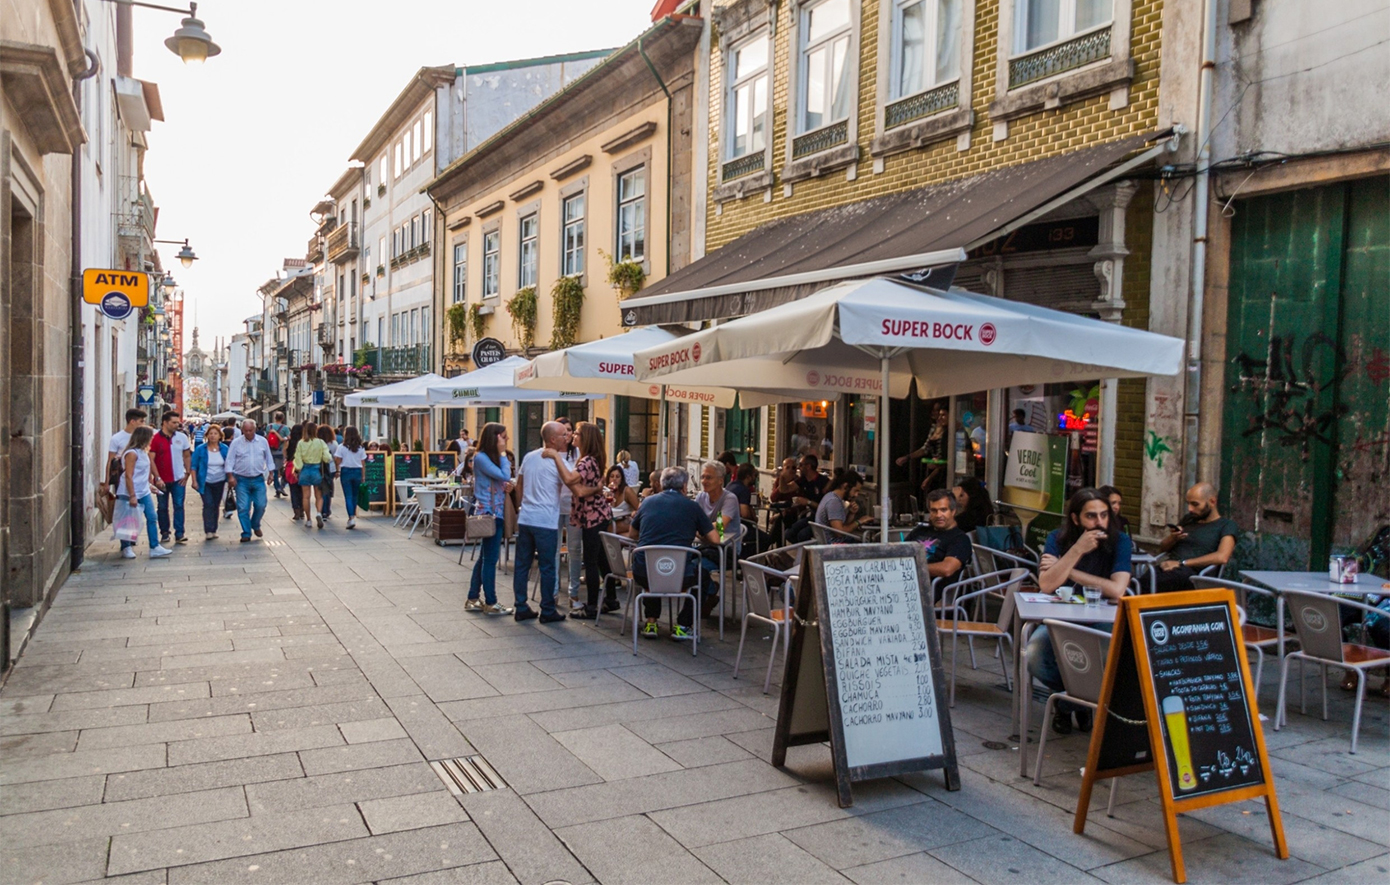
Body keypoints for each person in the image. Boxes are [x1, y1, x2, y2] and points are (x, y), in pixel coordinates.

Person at [1029, 488, 1134, 734]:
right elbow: (1046, 585)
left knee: (1106, 660)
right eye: (1091, 516)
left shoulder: (1120, 541)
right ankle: (1079, 703)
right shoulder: (1058, 538)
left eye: (1104, 515)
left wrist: (1069, 570)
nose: (1100, 522)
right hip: (1061, 618)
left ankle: (1066, 705)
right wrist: (1076, 550)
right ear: (1076, 519)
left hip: (1101, 620)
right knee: (1035, 654)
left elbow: (1117, 589)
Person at [628, 466, 722, 641]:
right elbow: (716, 539)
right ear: (685, 486)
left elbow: (633, 534)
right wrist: (696, 530)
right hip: (677, 574)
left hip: (644, 572)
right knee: (702, 577)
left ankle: (651, 622)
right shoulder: (692, 505)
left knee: (653, 562)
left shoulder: (647, 502)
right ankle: (683, 625)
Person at [547, 422, 615, 620]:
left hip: (592, 516)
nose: (573, 435)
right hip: (599, 514)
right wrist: (596, 488)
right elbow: (581, 489)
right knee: (602, 559)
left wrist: (555, 457)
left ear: (585, 439)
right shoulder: (592, 460)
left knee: (592, 561)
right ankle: (611, 598)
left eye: (577, 433)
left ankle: (592, 605)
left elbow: (570, 481)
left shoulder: (586, 462)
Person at [512, 421, 570, 623]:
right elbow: (571, 480)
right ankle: (547, 609)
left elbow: (519, 484)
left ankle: (520, 605)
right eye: (563, 434)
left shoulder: (529, 457)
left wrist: (521, 507)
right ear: (553, 439)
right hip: (546, 520)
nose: (567, 437)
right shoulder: (558, 461)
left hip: (527, 517)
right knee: (547, 566)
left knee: (522, 565)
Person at [464, 422, 514, 615]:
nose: (506, 439)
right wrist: (503, 454)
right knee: (490, 560)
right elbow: (504, 474)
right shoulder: (482, 458)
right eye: (504, 436)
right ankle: (491, 602)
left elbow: (503, 480)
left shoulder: (485, 458)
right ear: (494, 438)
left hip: (494, 511)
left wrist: (506, 485)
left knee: (484, 558)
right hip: (490, 513)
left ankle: (473, 598)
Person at [1153, 482, 1237, 592]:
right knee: (1137, 579)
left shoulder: (1226, 525)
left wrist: (1182, 563)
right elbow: (1162, 548)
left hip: (1194, 574)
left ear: (1212, 502)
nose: (1190, 509)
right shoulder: (1189, 519)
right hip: (1168, 567)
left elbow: (1222, 557)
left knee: (1151, 583)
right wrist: (1173, 538)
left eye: (1195, 504)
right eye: (1188, 504)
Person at [694, 460, 742, 617]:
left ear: (721, 480)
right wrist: (705, 529)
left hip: (726, 550)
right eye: (702, 477)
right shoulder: (701, 497)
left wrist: (700, 529)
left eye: (709, 477)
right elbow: (691, 521)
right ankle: (709, 591)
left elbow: (721, 527)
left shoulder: (730, 499)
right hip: (705, 546)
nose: (704, 481)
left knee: (697, 567)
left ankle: (702, 601)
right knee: (684, 562)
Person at [118, 426, 171, 559]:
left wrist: (150, 485)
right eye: (151, 437)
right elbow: (129, 475)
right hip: (129, 491)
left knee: (152, 517)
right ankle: (126, 546)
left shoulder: (143, 452)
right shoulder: (132, 453)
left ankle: (154, 546)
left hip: (144, 490)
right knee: (127, 520)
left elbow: (142, 474)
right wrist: (132, 495)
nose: (152, 439)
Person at [905, 489, 974, 588]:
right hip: (905, 583)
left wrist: (911, 567)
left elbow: (947, 569)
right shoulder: (920, 530)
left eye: (943, 510)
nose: (938, 515)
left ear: (953, 511)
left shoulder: (960, 539)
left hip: (930, 592)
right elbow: (900, 552)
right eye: (934, 510)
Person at [226, 419, 275, 543]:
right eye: (246, 431)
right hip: (241, 479)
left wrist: (271, 472)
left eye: (251, 430)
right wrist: (230, 476)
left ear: (255, 429)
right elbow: (230, 460)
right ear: (242, 430)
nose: (248, 433)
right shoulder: (236, 443)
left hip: (258, 478)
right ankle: (246, 532)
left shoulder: (262, 441)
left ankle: (255, 524)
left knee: (261, 505)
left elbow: (268, 458)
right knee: (243, 507)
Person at [553, 416, 583, 612]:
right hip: (554, 507)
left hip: (573, 506)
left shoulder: (578, 453)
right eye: (563, 431)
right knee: (553, 550)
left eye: (569, 430)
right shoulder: (549, 454)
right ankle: (553, 592)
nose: (567, 434)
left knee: (574, 550)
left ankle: (574, 593)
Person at [150, 411, 192, 545]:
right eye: (174, 422)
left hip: (179, 478)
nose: (177, 425)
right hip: (161, 479)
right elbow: (151, 460)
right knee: (162, 507)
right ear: (165, 423)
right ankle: (164, 532)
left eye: (177, 422)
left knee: (179, 505)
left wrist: (187, 473)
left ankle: (179, 533)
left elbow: (186, 455)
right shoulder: (155, 439)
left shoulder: (182, 437)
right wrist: (156, 477)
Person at [191, 424, 229, 541]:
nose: (213, 436)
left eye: (215, 434)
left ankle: (214, 529)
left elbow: (229, 463)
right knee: (208, 504)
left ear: (220, 436)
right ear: (207, 435)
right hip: (205, 481)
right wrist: (194, 480)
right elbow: (194, 466)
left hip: (220, 481)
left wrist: (231, 478)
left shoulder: (224, 449)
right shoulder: (200, 449)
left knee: (216, 505)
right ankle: (208, 530)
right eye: (211, 434)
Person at [897, 407, 949, 492]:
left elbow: (944, 458)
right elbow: (925, 448)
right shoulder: (934, 428)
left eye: (942, 415)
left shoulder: (948, 433)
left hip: (942, 473)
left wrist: (930, 478)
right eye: (938, 413)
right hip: (931, 469)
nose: (938, 417)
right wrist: (907, 457)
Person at [294, 422, 332, 529]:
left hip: (305, 470)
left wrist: (297, 469)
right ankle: (319, 513)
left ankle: (309, 519)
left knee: (306, 497)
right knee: (319, 496)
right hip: (317, 470)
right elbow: (327, 457)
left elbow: (297, 459)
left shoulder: (301, 443)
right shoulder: (320, 442)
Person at [814, 469, 864, 537]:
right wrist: (859, 521)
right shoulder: (834, 502)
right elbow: (839, 532)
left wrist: (851, 514)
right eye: (855, 491)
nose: (856, 495)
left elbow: (843, 526)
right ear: (845, 486)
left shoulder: (830, 496)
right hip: (834, 544)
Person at [107, 408, 147, 493]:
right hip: (123, 475)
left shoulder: (142, 438)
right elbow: (110, 460)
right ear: (132, 421)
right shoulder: (117, 438)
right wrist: (107, 482)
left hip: (140, 476)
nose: (144, 424)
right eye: (141, 421)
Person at [334, 426, 367, 530]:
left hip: (346, 471)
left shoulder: (341, 447)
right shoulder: (360, 448)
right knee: (354, 496)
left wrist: (337, 470)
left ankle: (351, 518)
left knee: (348, 496)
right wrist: (363, 476)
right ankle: (352, 516)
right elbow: (363, 463)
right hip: (357, 471)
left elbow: (338, 461)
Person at [605, 465, 641, 537]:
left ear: (621, 479)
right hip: (615, 520)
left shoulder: (627, 491)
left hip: (628, 521)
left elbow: (639, 508)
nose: (614, 479)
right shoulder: (608, 492)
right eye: (612, 476)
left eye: (617, 477)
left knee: (608, 529)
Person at [267, 411, 290, 498]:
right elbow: (288, 438)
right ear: (283, 418)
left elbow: (267, 437)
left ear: (275, 418)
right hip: (280, 451)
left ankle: (278, 489)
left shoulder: (269, 426)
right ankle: (279, 488)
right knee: (279, 470)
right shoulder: (285, 428)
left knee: (275, 470)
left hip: (270, 451)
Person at [285, 422, 304, 521]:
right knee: (303, 490)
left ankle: (296, 511)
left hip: (291, 466)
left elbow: (285, 454)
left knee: (293, 490)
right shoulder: (304, 442)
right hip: (302, 467)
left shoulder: (289, 441)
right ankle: (302, 510)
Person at [317, 424, 337, 520]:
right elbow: (336, 458)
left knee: (320, 489)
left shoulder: (316, 443)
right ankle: (326, 510)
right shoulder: (333, 444)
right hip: (331, 468)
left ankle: (321, 509)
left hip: (319, 467)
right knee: (328, 488)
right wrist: (338, 470)